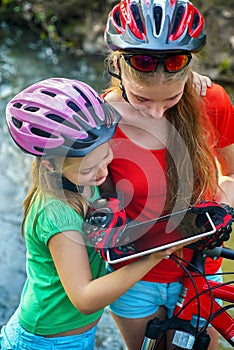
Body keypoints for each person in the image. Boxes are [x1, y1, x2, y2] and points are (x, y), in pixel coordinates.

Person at [0, 77, 184, 350]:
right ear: (52, 165)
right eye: (89, 169)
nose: (102, 174)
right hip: (45, 342)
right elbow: (84, 298)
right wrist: (153, 256)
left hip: (73, 336)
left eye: (106, 159)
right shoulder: (57, 215)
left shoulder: (84, 183)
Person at [100, 0, 234, 349]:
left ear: (189, 73)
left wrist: (225, 199)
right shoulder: (98, 121)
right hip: (136, 277)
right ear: (117, 66)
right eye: (142, 100)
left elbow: (232, 174)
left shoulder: (213, 102)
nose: (157, 111)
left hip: (204, 264)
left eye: (171, 97)